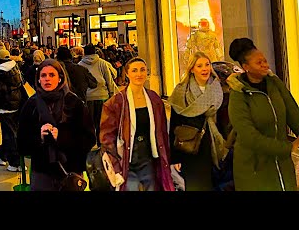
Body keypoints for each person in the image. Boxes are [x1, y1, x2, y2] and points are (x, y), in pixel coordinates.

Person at [226, 37, 299, 191]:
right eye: (259, 63)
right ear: (246, 67)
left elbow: (293, 112)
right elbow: (248, 136)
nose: (265, 65)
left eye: (265, 60)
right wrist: (286, 148)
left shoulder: (274, 83)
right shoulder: (239, 93)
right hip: (254, 168)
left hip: (282, 165)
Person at [17, 59, 96, 190]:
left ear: (60, 78)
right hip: (42, 171)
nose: (47, 79)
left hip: (70, 170)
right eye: (43, 75)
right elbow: (21, 144)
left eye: (52, 75)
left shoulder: (74, 103)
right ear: (38, 80)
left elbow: (89, 139)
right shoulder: (31, 105)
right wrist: (39, 137)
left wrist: (61, 137)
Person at [99, 57, 175, 191]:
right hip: (126, 160)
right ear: (127, 74)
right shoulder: (116, 103)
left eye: (142, 70)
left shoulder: (154, 99)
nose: (139, 74)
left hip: (149, 158)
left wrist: (168, 159)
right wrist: (115, 165)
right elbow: (107, 138)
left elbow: (162, 132)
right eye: (134, 70)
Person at [168, 51, 227, 191]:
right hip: (192, 148)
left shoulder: (218, 88)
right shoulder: (181, 91)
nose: (205, 69)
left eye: (207, 65)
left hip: (215, 145)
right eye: (199, 66)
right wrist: (175, 157)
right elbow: (175, 125)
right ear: (192, 69)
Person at [0, 48, 29, 172]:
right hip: (17, 106)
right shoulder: (15, 69)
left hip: (5, 107)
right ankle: (3, 155)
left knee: (9, 135)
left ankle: (14, 162)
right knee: (13, 134)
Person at [78, 43, 119, 145]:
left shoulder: (80, 65)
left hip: (88, 97)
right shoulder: (102, 63)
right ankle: (101, 142)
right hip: (102, 95)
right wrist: (111, 94)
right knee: (101, 122)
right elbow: (109, 80)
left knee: (89, 122)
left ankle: (91, 142)